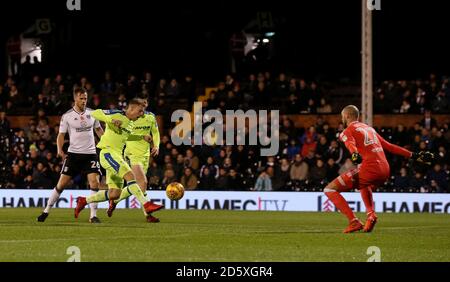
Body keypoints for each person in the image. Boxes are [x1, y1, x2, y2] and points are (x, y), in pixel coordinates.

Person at [323, 105, 434, 233]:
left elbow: (350, 144)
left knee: (329, 189)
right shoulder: (369, 129)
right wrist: (414, 155)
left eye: (342, 116)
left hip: (371, 168)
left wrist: (354, 154)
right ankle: (371, 215)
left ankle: (353, 221)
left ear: (347, 116)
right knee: (363, 184)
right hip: (385, 169)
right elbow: (390, 146)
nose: (342, 119)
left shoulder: (347, 131)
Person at [74, 99, 163, 221]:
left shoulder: (131, 123)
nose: (142, 114)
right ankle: (147, 205)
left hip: (117, 156)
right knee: (131, 176)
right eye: (140, 111)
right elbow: (95, 113)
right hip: (107, 153)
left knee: (115, 194)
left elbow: (127, 135)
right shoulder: (117, 114)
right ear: (131, 109)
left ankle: (83, 200)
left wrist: (141, 136)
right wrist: (111, 120)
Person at [37, 88, 104, 223]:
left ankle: (93, 216)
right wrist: (59, 149)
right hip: (73, 155)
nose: (84, 101)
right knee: (61, 185)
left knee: (94, 183)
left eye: (85, 98)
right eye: (81, 98)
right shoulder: (67, 116)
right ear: (75, 99)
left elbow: (98, 130)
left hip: (90, 154)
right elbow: (61, 135)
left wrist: (107, 144)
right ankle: (46, 211)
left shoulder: (93, 113)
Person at [107, 98, 161, 222]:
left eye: (145, 105)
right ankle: (148, 214)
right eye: (141, 105)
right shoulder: (129, 118)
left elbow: (155, 132)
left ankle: (115, 201)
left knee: (139, 186)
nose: (143, 107)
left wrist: (156, 145)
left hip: (145, 155)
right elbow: (124, 135)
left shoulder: (150, 117)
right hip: (131, 154)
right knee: (143, 183)